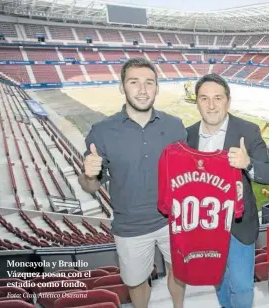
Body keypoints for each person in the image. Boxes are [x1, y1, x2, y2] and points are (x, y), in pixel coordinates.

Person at [78, 58, 188, 308]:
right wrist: (89, 175)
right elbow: (91, 187)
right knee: (137, 283)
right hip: (129, 226)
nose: (142, 89)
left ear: (157, 87)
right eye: (134, 82)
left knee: (179, 273)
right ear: (122, 87)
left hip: (173, 220)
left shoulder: (175, 126)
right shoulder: (102, 131)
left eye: (149, 82)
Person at [186, 73, 269, 308]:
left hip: (238, 227)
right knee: (217, 279)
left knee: (243, 287)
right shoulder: (186, 135)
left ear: (228, 100)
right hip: (204, 226)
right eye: (204, 98)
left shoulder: (248, 130)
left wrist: (248, 163)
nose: (212, 105)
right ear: (196, 102)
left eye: (218, 98)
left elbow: (268, 175)